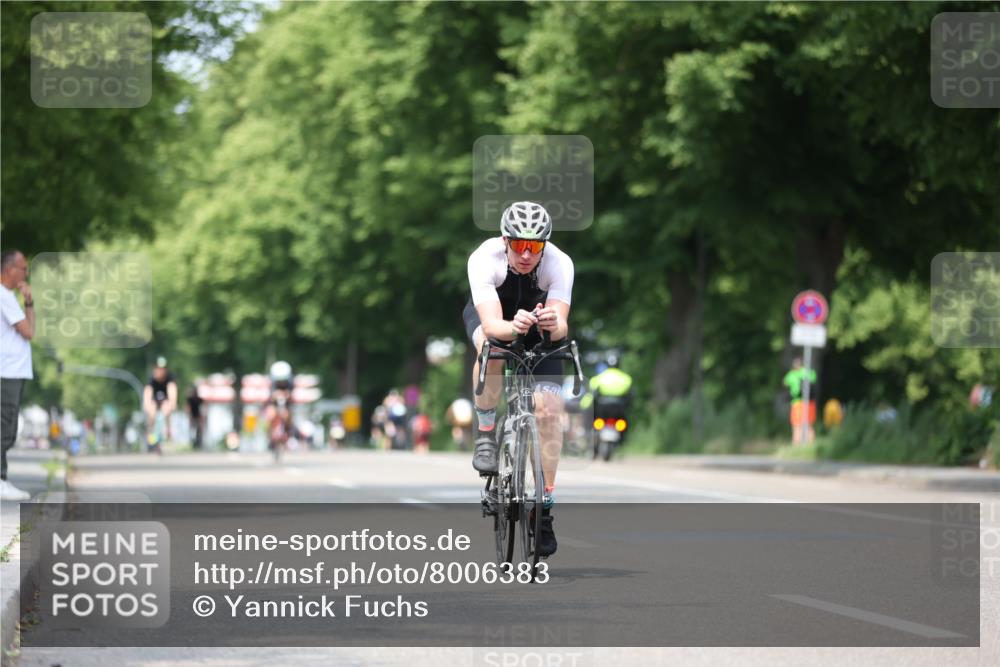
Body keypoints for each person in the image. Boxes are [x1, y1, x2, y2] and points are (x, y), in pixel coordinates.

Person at [463, 201, 573, 558]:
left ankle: (544, 508)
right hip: (497, 319)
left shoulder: (559, 263)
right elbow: (493, 325)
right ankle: (484, 435)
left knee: (550, 409)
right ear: (504, 239)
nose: (527, 254)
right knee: (491, 351)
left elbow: (562, 326)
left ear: (545, 245)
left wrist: (554, 325)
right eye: (519, 245)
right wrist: (512, 328)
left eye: (535, 246)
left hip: (537, 328)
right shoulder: (485, 258)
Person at [1, 250, 35, 501]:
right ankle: (0, 479)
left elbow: (29, 330)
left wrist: (29, 302)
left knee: (8, 426)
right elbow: (29, 331)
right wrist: (29, 301)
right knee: (5, 426)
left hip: (12, 371)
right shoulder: (3, 296)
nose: (26, 273)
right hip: (7, 371)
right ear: (9, 269)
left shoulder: (8, 297)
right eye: (23, 268)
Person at [585, 352, 633, 446]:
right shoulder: (626, 378)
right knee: (624, 422)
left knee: (595, 422)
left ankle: (594, 437)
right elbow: (630, 394)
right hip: (619, 408)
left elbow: (592, 391)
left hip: (602, 408)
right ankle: (622, 440)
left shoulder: (599, 377)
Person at [783, 357, 816, 443]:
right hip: (809, 402)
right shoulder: (807, 372)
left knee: (797, 425)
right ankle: (810, 444)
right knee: (808, 424)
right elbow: (814, 378)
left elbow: (785, 382)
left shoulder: (792, 374)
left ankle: (796, 444)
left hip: (797, 402)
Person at [185, 384, 205, 450]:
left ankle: (198, 443)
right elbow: (188, 408)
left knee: (199, 430)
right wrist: (189, 416)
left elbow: (203, 408)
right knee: (192, 430)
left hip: (198, 417)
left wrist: (202, 418)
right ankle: (192, 443)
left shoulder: (200, 399)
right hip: (192, 416)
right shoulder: (190, 399)